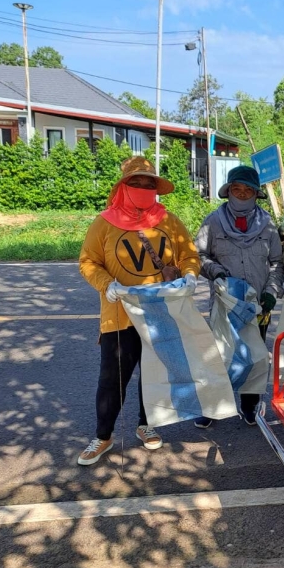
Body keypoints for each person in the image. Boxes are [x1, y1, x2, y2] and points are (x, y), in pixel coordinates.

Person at [77, 156, 201, 465]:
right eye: (137, 183)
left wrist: (190, 276)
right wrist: (107, 284)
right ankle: (103, 436)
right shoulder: (104, 222)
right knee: (112, 378)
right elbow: (88, 261)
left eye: (150, 184)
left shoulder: (169, 220)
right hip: (120, 313)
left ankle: (147, 424)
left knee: (155, 372)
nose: (144, 188)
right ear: (123, 186)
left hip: (161, 312)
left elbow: (188, 253)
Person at [194, 165, 284, 428]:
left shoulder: (267, 225)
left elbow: (277, 263)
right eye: (237, 189)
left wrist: (271, 293)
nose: (242, 194)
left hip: (257, 306)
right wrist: (216, 271)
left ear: (256, 194)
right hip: (224, 303)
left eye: (248, 190)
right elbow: (198, 256)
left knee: (255, 356)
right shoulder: (212, 222)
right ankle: (212, 407)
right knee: (219, 355)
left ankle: (249, 405)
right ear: (228, 191)